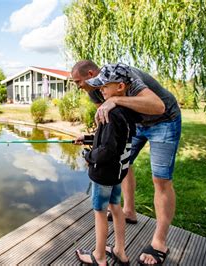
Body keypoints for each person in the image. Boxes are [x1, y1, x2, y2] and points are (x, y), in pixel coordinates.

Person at [72, 60, 181, 265]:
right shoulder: (95, 89)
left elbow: (158, 106)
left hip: (164, 120)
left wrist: (118, 101)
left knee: (161, 179)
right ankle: (128, 211)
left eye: (78, 81)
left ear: (90, 73)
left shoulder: (127, 76)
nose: (79, 86)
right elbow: (107, 126)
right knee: (124, 161)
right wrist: (89, 138)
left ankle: (159, 242)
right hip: (136, 124)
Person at [75, 64, 137, 266]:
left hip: (103, 175)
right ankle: (120, 250)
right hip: (117, 173)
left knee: (100, 213)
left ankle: (99, 256)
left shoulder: (110, 113)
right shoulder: (126, 111)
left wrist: (88, 155)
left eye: (104, 85)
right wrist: (86, 138)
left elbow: (107, 150)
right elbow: (113, 141)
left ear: (120, 86)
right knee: (116, 207)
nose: (100, 89)